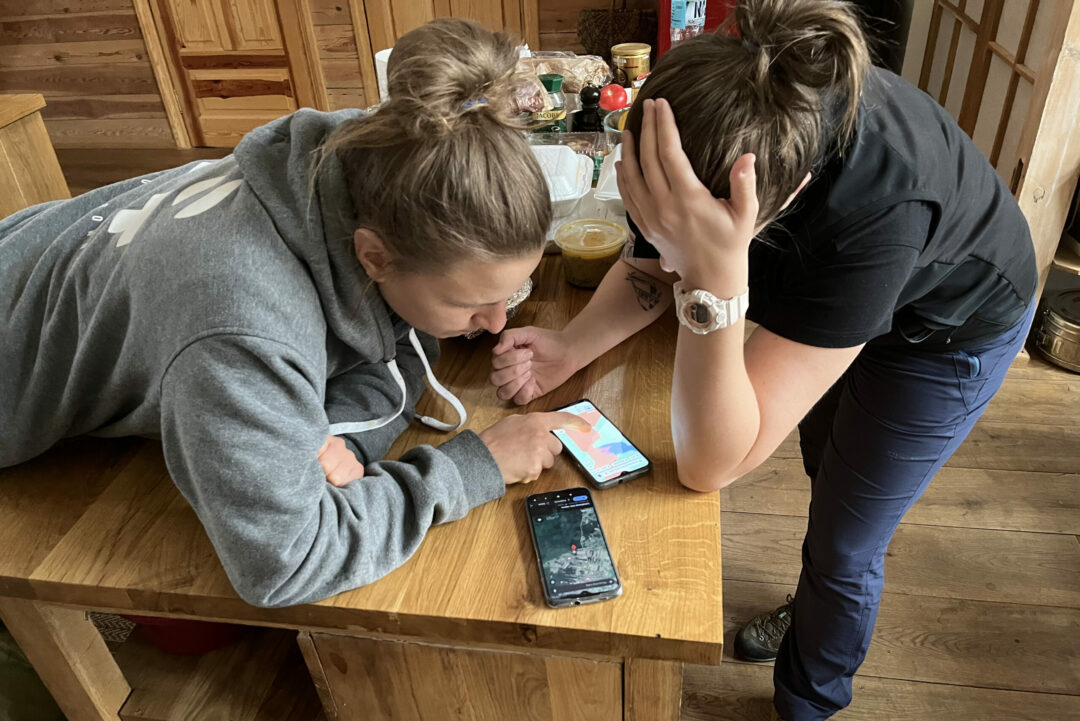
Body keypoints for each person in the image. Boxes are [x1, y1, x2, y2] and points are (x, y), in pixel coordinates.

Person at [489, 1, 1038, 718]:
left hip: (945, 331)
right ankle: (808, 605)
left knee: (844, 542)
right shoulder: (707, 120)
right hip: (836, 292)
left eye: (680, 230)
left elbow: (710, 465)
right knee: (823, 463)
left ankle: (808, 701)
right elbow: (651, 268)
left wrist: (713, 282)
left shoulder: (872, 213)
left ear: (782, 199)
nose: (658, 240)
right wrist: (571, 345)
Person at [0, 18, 587, 609]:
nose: (497, 324)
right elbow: (288, 562)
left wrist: (337, 435)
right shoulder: (241, 327)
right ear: (374, 258)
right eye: (470, 303)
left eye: (510, 291)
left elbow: (399, 340)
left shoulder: (378, 156)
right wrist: (476, 466)